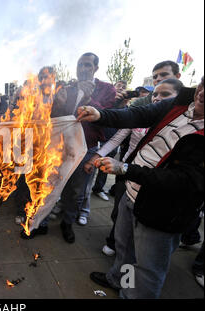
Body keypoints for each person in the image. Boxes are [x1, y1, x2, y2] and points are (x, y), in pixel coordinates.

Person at [78, 76, 204, 299]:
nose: (202, 93)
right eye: (203, 85)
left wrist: (126, 169)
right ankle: (119, 281)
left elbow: (182, 181)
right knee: (124, 248)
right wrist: (101, 115)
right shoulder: (183, 101)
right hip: (131, 192)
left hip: (163, 212)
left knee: (146, 270)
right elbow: (140, 114)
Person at [85, 78, 184, 257]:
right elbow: (117, 138)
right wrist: (96, 157)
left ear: (178, 98)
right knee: (120, 217)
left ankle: (127, 274)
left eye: (166, 94)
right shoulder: (141, 116)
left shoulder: (179, 126)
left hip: (152, 189)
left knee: (143, 249)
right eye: (155, 94)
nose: (157, 98)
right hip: (126, 177)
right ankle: (116, 255)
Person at [28, 53, 115, 242]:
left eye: (87, 65)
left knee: (75, 191)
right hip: (60, 147)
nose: (83, 69)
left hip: (86, 148)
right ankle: (40, 223)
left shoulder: (106, 89)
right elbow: (56, 117)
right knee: (48, 185)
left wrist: (89, 99)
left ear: (95, 68)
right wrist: (56, 104)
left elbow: (107, 115)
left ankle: (67, 223)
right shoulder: (67, 88)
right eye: (80, 65)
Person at [117, 60, 181, 108]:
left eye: (164, 75)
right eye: (155, 77)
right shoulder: (141, 103)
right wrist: (120, 107)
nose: (158, 79)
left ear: (177, 76)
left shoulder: (189, 100)